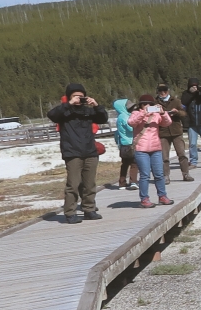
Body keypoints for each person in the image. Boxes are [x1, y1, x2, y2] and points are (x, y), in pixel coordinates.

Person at [47, 82, 109, 223]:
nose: (78, 99)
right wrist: (69, 104)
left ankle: (89, 209)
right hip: (72, 152)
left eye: (81, 96)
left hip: (90, 151)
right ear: (69, 97)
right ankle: (70, 212)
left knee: (89, 184)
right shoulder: (64, 111)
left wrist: (96, 106)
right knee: (73, 184)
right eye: (75, 96)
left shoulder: (88, 111)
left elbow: (103, 118)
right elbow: (52, 115)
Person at [128, 94, 175, 209]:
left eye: (150, 104)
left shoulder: (156, 115)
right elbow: (131, 122)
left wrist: (163, 113)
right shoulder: (136, 113)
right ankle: (144, 199)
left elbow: (167, 123)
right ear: (141, 105)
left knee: (159, 174)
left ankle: (162, 196)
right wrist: (143, 113)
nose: (148, 106)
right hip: (141, 149)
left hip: (155, 148)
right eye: (145, 104)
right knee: (144, 175)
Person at [156, 83, 193, 183]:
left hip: (176, 131)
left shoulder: (176, 101)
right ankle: (166, 176)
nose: (163, 93)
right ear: (158, 92)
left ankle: (186, 174)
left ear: (168, 91)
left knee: (181, 154)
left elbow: (184, 113)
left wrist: (177, 112)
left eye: (165, 90)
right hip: (163, 132)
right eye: (160, 91)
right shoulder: (155, 103)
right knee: (164, 157)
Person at [181, 78, 201, 167]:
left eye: (196, 86)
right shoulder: (186, 94)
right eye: (192, 86)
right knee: (192, 144)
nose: (194, 88)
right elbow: (184, 102)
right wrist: (192, 94)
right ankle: (193, 162)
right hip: (192, 123)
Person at [112, 95, 139, 191]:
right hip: (130, 143)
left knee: (125, 164)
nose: (131, 109)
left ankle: (122, 182)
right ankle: (133, 182)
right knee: (134, 163)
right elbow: (131, 128)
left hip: (123, 144)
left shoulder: (120, 117)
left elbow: (117, 134)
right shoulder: (125, 117)